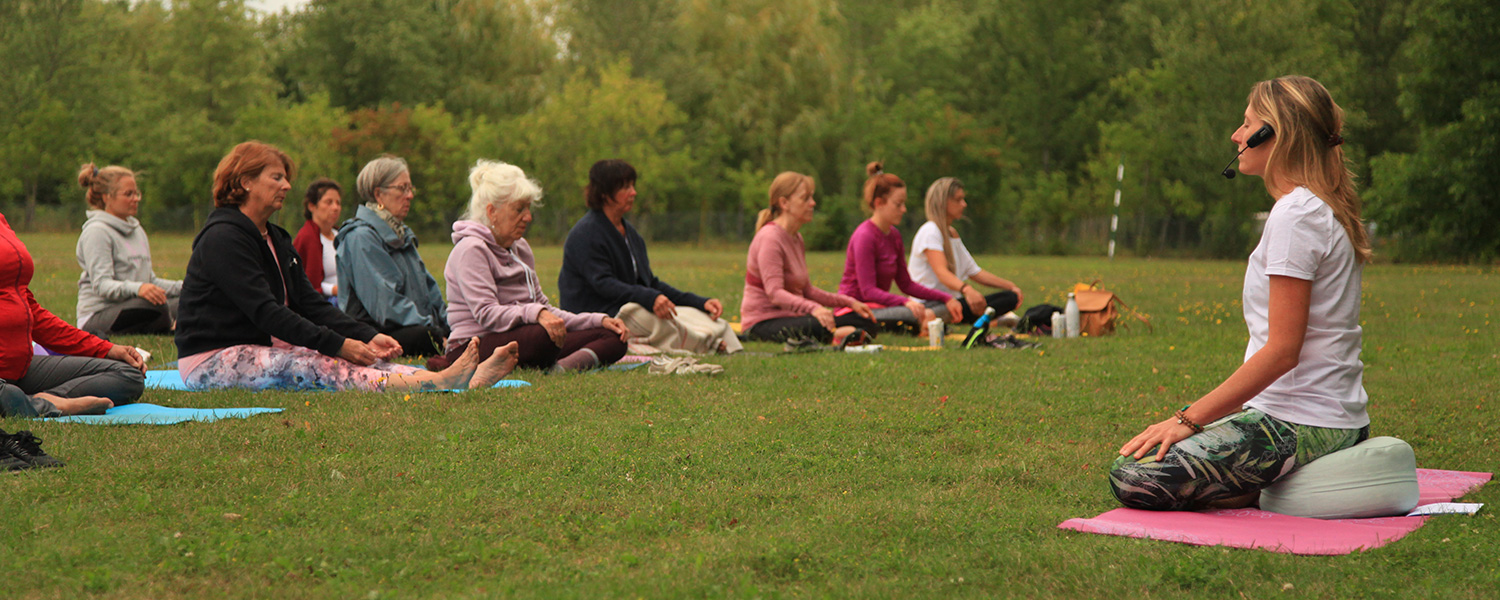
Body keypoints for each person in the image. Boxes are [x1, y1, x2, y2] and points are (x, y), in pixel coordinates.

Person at [1110, 76, 1373, 510]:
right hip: (1322, 419)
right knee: (1154, 460)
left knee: (1135, 476)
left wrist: (1186, 421)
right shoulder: (1311, 206)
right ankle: (1270, 484)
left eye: (1247, 123)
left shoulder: (1296, 215)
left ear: (1275, 134)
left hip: (1303, 422)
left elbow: (1283, 351)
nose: (1237, 134)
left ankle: (1268, 486)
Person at [174, 141, 516, 392]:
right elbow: (266, 312)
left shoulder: (275, 238)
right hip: (212, 360)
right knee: (314, 362)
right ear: (245, 181)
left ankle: (460, 378)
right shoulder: (223, 239)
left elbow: (310, 304)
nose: (287, 186)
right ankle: (438, 382)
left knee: (363, 357)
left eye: (286, 178)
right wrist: (338, 343)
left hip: (261, 346)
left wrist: (365, 335)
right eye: (276, 177)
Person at [438, 160, 630, 372]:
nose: (528, 217)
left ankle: (559, 369)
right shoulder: (471, 249)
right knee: (543, 335)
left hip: (525, 336)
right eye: (519, 209)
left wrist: (598, 320)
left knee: (614, 337)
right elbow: (487, 313)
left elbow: (546, 310)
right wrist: (537, 314)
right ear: (492, 211)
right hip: (474, 344)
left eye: (528, 209)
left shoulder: (520, 247)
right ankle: (549, 362)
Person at [558, 159, 741, 354]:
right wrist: (650, 298)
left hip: (631, 307)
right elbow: (604, 284)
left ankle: (711, 341)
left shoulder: (632, 235)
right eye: (625, 187)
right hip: (601, 315)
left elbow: (650, 284)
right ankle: (709, 344)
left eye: (633, 186)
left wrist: (700, 302)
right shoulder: (585, 234)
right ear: (605, 194)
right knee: (649, 317)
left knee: (691, 314)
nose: (633, 192)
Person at [3, 210, 145, 417]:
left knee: (128, 373)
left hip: (20, 367)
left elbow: (33, 314)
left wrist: (107, 349)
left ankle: (43, 399)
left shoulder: (2, 224)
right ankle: (36, 404)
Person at [741, 172, 878, 343]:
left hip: (794, 318)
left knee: (863, 319)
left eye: (811, 197)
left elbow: (808, 291)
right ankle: (837, 335)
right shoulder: (770, 238)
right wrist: (815, 309)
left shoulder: (796, 238)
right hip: (763, 324)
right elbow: (775, 293)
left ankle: (841, 333)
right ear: (784, 203)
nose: (812, 203)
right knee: (818, 325)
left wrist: (851, 303)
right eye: (805, 198)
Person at [336, 155, 449, 357]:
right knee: (428, 337)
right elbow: (385, 306)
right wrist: (434, 330)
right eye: (402, 188)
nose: (410, 196)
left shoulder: (401, 233)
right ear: (378, 194)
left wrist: (450, 325)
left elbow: (429, 289)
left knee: (465, 334)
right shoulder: (360, 237)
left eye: (410, 189)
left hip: (415, 325)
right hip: (379, 333)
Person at [838, 162, 962, 332]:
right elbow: (868, 291)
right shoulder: (864, 236)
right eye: (898, 204)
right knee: (914, 314)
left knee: (942, 307)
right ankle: (921, 323)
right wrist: (905, 302)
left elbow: (906, 284)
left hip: (881, 307)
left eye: (904, 203)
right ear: (879, 202)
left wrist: (947, 298)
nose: (903, 209)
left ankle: (922, 322)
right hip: (857, 309)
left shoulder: (894, 235)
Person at [74, 163, 182, 336]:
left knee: (188, 300)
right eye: (128, 194)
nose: (136, 199)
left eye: (136, 193)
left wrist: (186, 287)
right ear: (107, 197)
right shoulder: (97, 232)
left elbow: (150, 281)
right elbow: (102, 285)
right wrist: (138, 289)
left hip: (136, 305)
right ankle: (169, 326)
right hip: (99, 315)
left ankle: (171, 323)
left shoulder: (137, 230)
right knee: (154, 305)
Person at [907, 177, 1024, 324]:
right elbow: (942, 272)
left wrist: (1011, 286)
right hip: (929, 303)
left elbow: (974, 271)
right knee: (954, 307)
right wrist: (967, 290)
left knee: (1009, 298)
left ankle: (983, 318)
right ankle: (986, 319)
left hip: (953, 303)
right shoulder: (930, 231)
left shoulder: (952, 234)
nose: (964, 204)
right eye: (958, 200)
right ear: (944, 202)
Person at [292, 177, 343, 302]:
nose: (335, 207)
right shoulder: (307, 237)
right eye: (329, 202)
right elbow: (307, 284)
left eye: (338, 203)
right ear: (312, 206)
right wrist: (335, 290)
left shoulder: (341, 236)